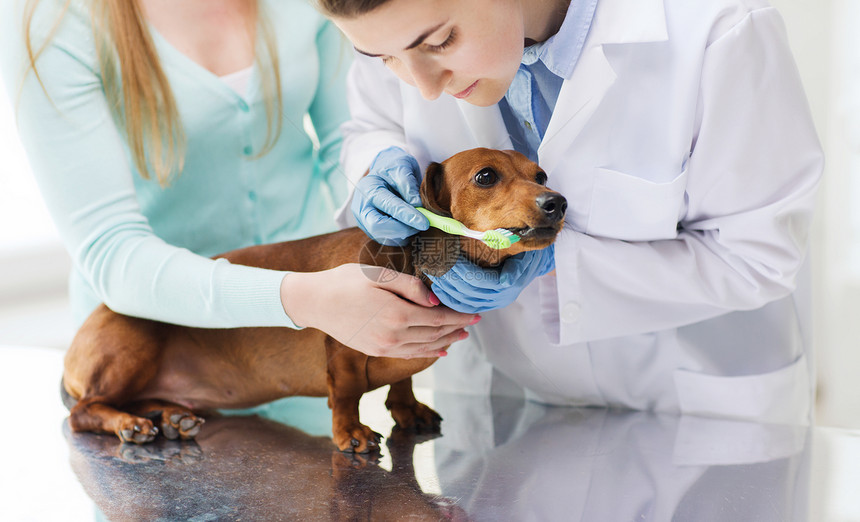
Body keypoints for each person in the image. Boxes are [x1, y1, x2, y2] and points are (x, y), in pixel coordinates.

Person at [318, 0, 824, 425]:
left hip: (691, 404)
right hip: (500, 396)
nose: (422, 86)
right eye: (382, 56)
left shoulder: (721, 32)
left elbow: (758, 257)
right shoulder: (398, 22)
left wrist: (553, 262)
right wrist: (376, 163)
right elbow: (371, 124)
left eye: (442, 41)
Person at [0, 0, 478, 361]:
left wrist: (383, 191)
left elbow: (347, 139)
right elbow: (110, 252)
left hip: (307, 350)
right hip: (155, 361)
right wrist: (305, 299)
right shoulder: (53, 21)